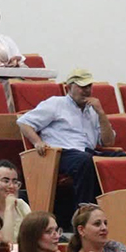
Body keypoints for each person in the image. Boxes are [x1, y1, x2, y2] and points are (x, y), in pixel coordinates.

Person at [18, 69, 113, 213]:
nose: (87, 91)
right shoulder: (56, 103)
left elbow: (108, 142)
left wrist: (101, 113)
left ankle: (117, 211)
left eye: (89, 86)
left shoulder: (93, 110)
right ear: (69, 87)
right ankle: (83, 214)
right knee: (85, 161)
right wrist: (37, 142)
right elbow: (24, 122)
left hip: (87, 153)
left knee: (122, 159)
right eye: (82, 87)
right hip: (60, 154)